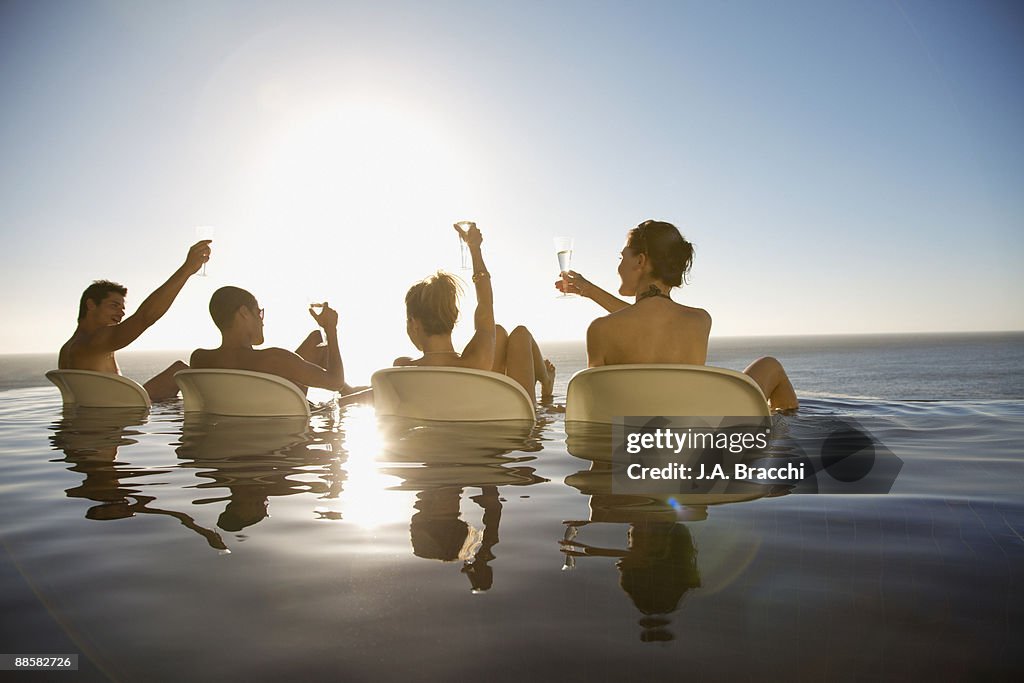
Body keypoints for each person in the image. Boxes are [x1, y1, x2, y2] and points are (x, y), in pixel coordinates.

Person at [556, 220, 798, 411]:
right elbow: (651, 319)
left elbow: (594, 405)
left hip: (630, 447)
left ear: (640, 260)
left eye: (622, 257)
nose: (618, 266)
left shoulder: (600, 330)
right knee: (771, 366)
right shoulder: (700, 321)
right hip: (692, 444)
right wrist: (590, 290)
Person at [396, 222, 555, 401]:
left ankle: (546, 381)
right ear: (454, 316)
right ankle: (546, 382)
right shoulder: (476, 362)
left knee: (499, 332)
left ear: (414, 323)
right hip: (515, 417)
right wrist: (474, 249)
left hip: (465, 414)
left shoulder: (402, 369)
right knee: (520, 335)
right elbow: (485, 304)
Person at [58, 240, 212, 402]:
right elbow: (145, 317)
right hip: (115, 418)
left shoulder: (68, 348)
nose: (121, 312)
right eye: (114, 305)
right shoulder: (94, 342)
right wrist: (187, 269)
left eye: (122, 307)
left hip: (104, 411)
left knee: (179, 370)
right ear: (91, 305)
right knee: (187, 378)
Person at [190, 286, 362, 396]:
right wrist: (331, 329)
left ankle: (349, 392)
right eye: (259, 313)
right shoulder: (274, 359)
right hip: (288, 435)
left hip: (245, 421)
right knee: (321, 339)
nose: (262, 321)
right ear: (243, 313)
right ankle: (349, 394)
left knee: (316, 339)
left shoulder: (199, 359)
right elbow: (335, 382)